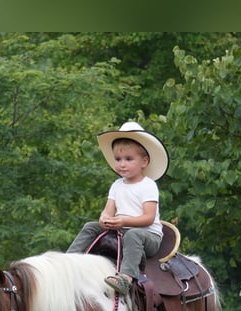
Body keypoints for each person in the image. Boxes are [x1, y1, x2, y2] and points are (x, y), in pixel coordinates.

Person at [67, 121, 169, 295]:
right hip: (123, 228)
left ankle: (126, 277)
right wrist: (105, 218)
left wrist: (123, 221)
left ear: (144, 161)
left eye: (129, 159)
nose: (122, 164)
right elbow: (109, 209)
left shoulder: (148, 185)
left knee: (133, 235)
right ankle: (68, 260)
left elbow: (148, 218)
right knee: (91, 227)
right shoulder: (117, 185)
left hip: (147, 236)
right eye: (118, 159)